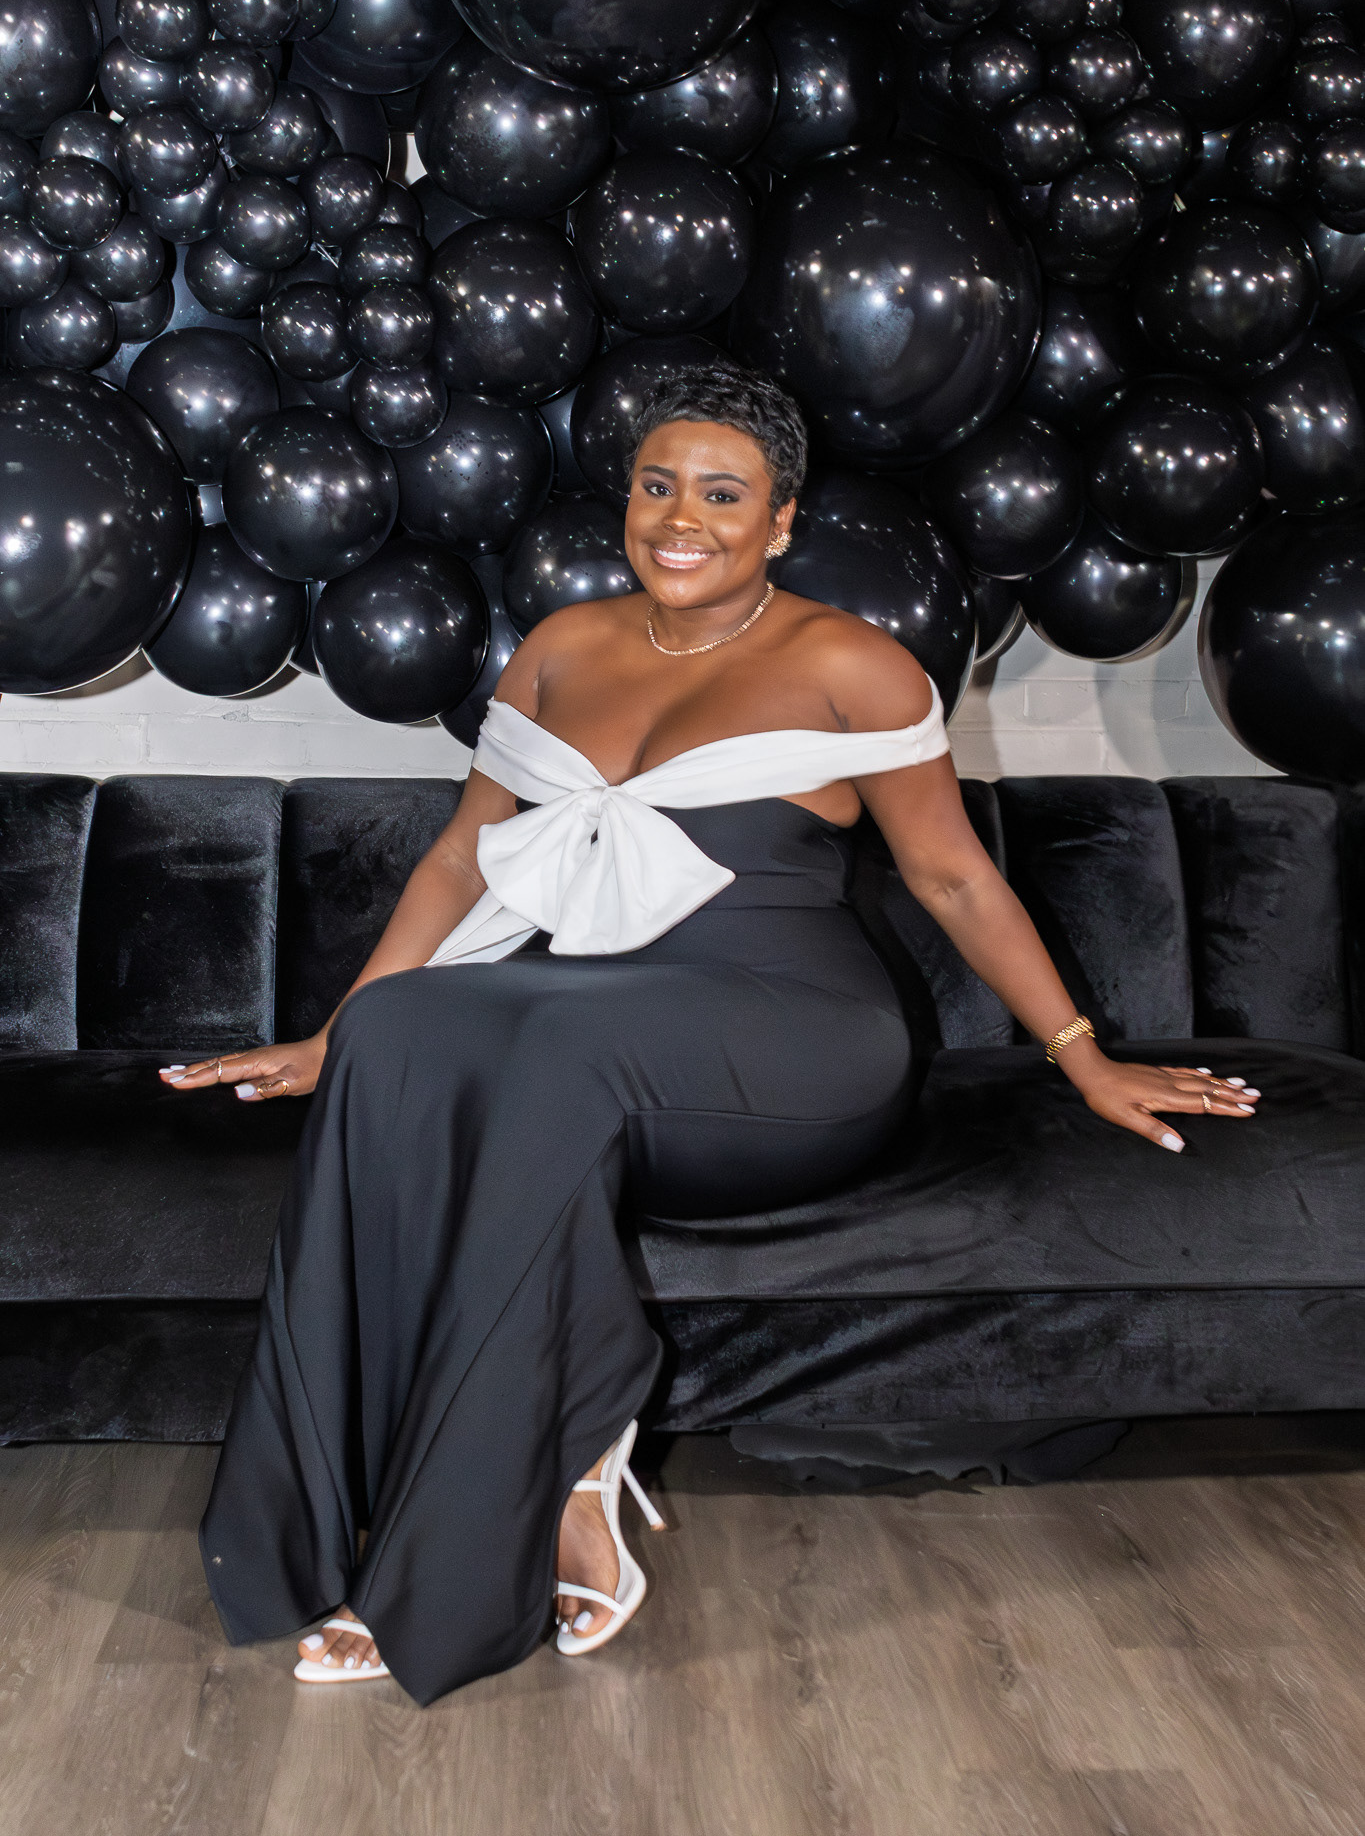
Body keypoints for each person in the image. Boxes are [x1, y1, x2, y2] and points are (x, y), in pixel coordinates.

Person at [161, 364, 1259, 1705]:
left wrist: (1080, 1054)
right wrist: (336, 1035)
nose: (681, 518)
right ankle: (464, 1488)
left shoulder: (850, 663)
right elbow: (459, 860)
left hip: (798, 1040)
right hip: (587, 1029)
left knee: (544, 1056)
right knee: (402, 1030)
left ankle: (454, 1570)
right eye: (656, 486)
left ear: (780, 521)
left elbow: (954, 878)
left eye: (723, 495)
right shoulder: (561, 648)